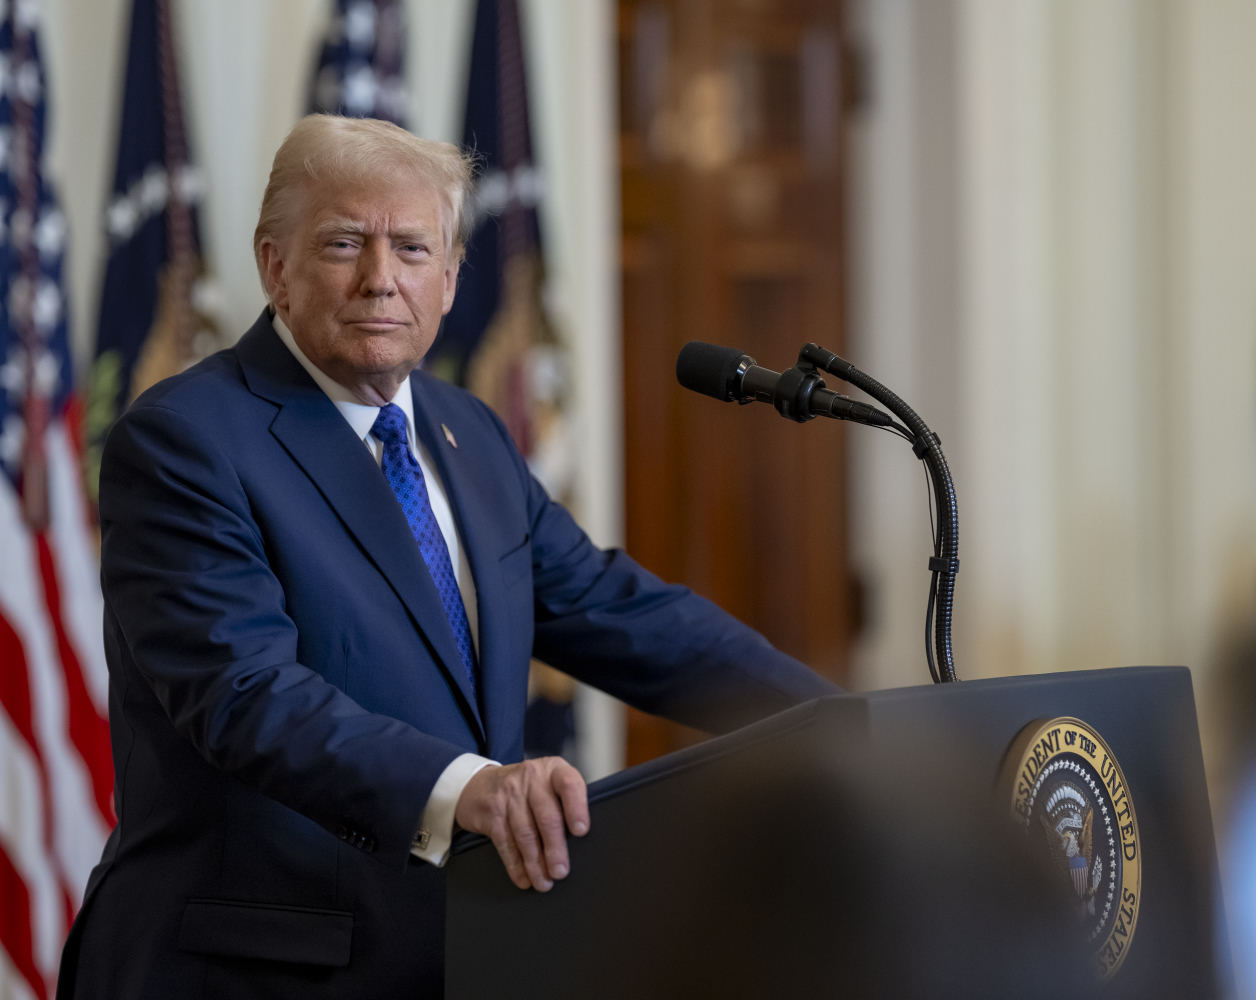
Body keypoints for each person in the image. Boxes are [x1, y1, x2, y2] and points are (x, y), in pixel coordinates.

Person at [58, 114, 837, 999]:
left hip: (454, 959)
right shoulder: (184, 440)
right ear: (274, 266)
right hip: (248, 971)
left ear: (453, 278)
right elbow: (246, 694)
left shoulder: (468, 430)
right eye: (344, 243)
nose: (381, 278)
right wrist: (466, 788)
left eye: (413, 248)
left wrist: (832, 721)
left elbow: (613, 609)